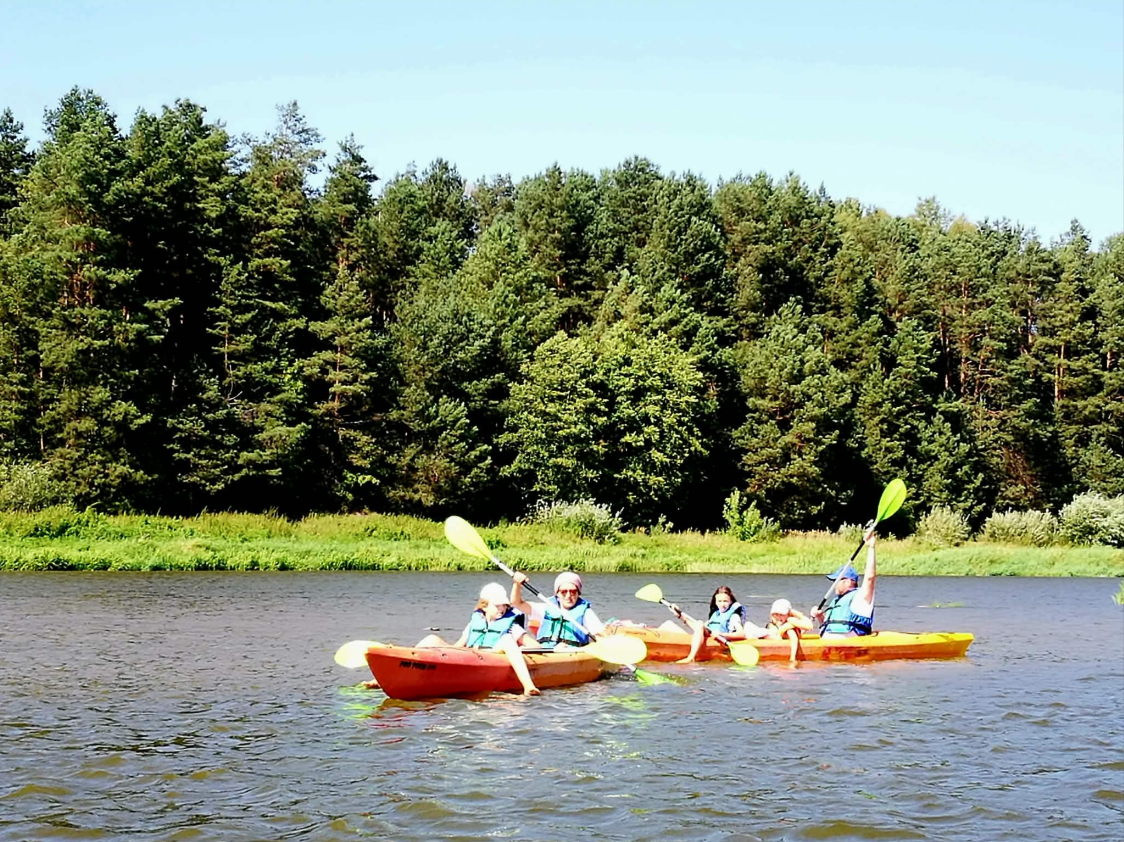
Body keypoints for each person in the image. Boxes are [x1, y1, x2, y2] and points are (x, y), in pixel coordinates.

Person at [409, 582, 541, 696]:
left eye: (504, 605)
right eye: (497, 605)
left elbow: (535, 646)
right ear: (484, 606)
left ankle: (528, 686)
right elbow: (459, 645)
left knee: (506, 639)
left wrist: (516, 649)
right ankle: (410, 666)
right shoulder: (474, 623)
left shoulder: (512, 627)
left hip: (494, 654)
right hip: (473, 654)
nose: (502, 609)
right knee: (431, 638)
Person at [510, 571, 606, 649]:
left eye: (573, 592)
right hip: (544, 652)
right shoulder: (546, 608)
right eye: (564, 592)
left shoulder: (585, 612)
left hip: (571, 653)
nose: (568, 596)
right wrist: (517, 584)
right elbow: (517, 603)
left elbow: (601, 635)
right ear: (557, 594)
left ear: (578, 593)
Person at [811, 528, 876, 638]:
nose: (834, 584)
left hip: (849, 644)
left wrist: (871, 547)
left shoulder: (861, 597)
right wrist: (820, 617)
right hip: (828, 645)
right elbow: (829, 626)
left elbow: (870, 578)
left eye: (837, 581)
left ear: (848, 582)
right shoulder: (837, 601)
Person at [674, 585, 763, 663]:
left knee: (700, 623)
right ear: (715, 602)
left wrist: (721, 634)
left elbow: (741, 634)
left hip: (722, 640)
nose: (722, 604)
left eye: (725, 601)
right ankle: (692, 655)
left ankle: (691, 657)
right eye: (719, 601)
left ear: (731, 602)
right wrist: (680, 616)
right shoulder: (715, 614)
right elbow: (699, 628)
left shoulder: (734, 616)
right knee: (697, 623)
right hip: (710, 636)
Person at [764, 598, 814, 662]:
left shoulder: (790, 621)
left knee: (790, 628)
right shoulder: (772, 625)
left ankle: (792, 658)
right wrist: (782, 629)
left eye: (781, 615)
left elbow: (810, 626)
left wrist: (792, 657)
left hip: (788, 632)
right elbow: (776, 636)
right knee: (775, 629)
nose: (778, 617)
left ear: (789, 614)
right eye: (776, 614)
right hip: (778, 633)